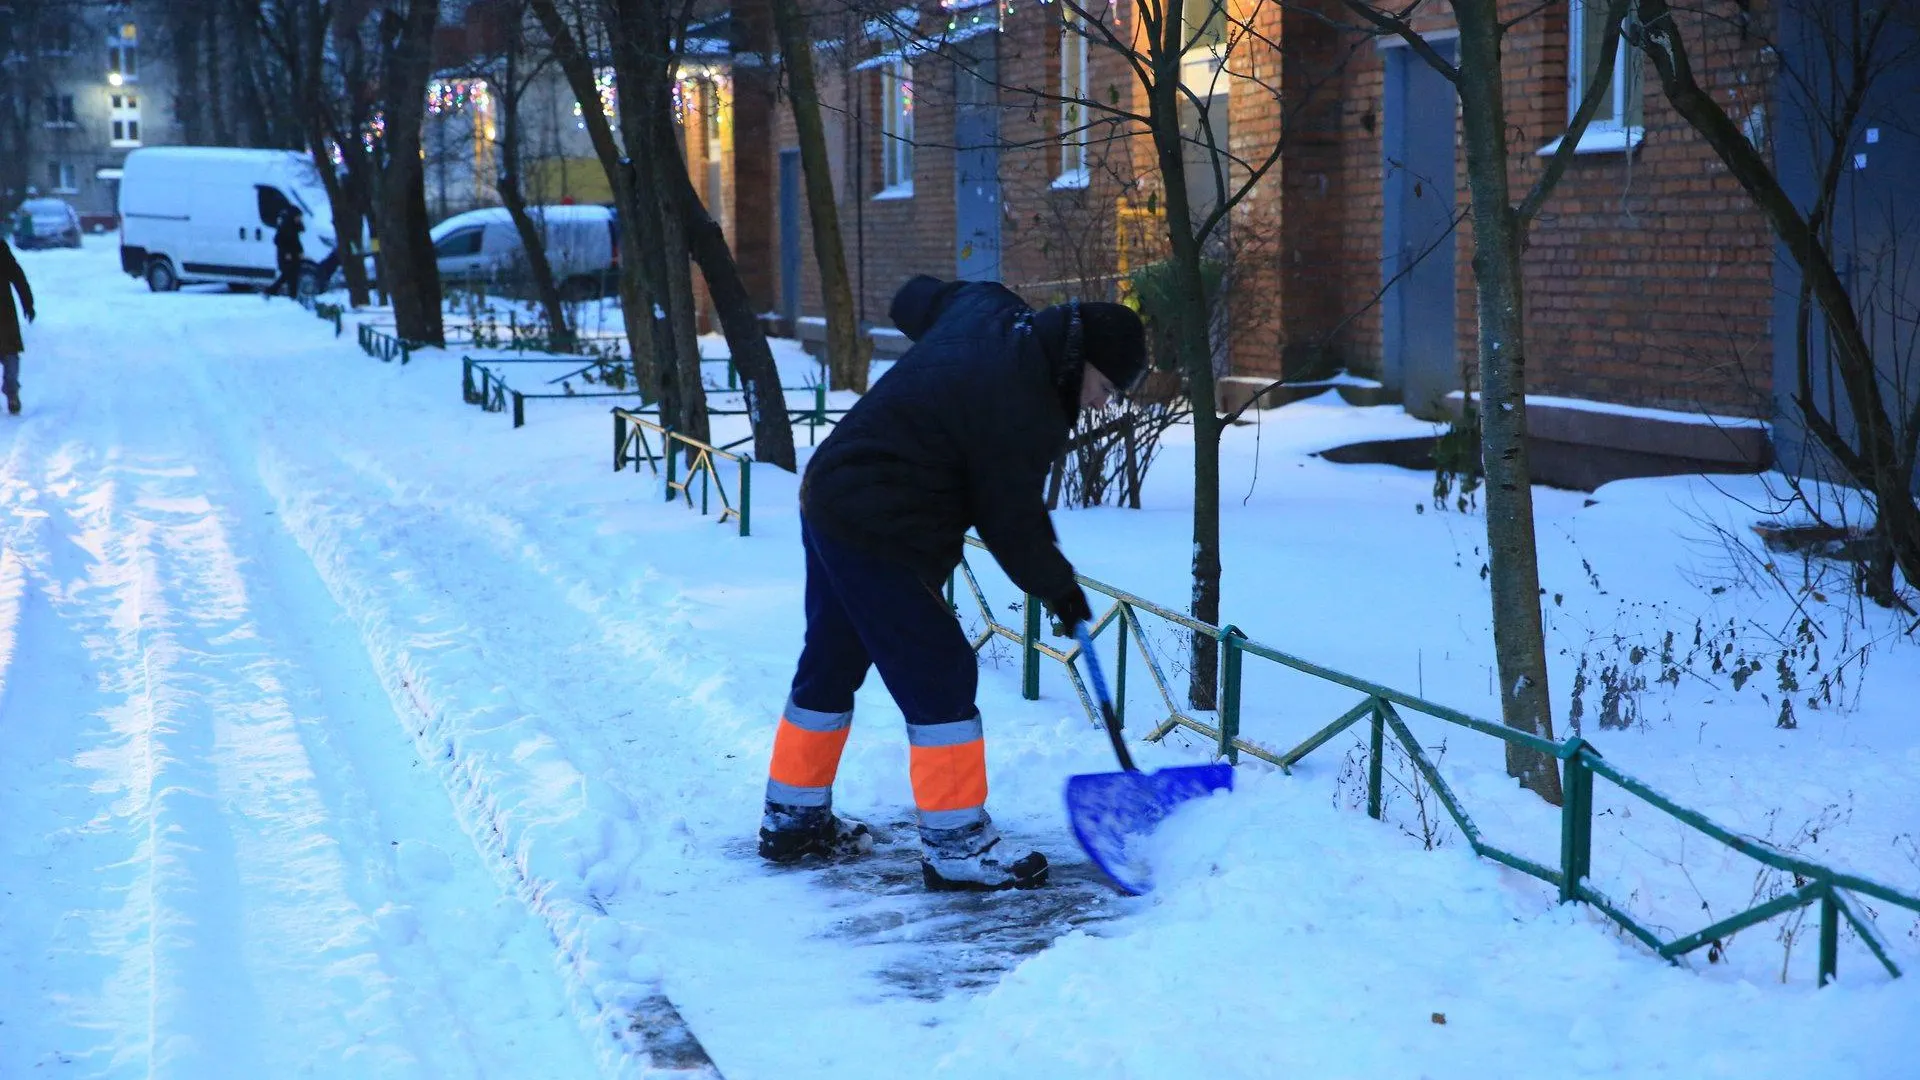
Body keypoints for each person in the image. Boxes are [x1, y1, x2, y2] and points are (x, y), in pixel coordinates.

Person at [759, 275, 1149, 891]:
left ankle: (793, 819)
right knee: (939, 674)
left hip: (830, 489)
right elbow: (1010, 518)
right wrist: (1060, 590)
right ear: (1078, 362)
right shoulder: (1024, 405)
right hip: (884, 522)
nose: (1101, 404)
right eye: (1103, 387)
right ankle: (958, 846)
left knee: (832, 658)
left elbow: (911, 297)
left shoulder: (989, 308)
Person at [1, 236, 35, 415]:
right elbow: (17, 275)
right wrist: (27, 303)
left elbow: (16, 274)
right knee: (10, 355)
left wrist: (28, 303)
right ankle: (12, 392)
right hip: (4, 311)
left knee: (10, 355)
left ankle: (12, 392)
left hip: (3, 312)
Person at [267, 207, 305, 298]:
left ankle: (290, 295)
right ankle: (273, 291)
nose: (299, 219)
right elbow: (278, 241)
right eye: (298, 217)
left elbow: (296, 241)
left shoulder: (295, 227)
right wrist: (286, 252)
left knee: (291, 275)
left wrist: (300, 251)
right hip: (285, 256)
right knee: (288, 274)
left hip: (294, 255)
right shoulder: (285, 226)